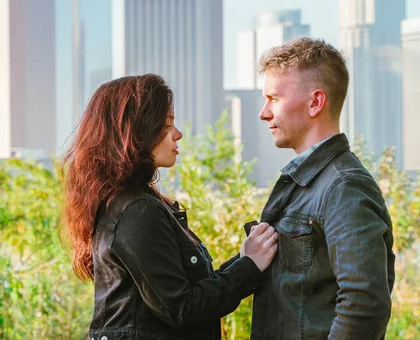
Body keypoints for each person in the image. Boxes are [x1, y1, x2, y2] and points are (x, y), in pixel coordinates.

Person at [62, 74, 279, 340]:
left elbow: (188, 290)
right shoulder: (136, 211)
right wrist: (249, 267)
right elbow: (182, 309)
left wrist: (247, 260)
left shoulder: (132, 203)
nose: (178, 134)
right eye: (166, 125)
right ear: (137, 131)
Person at [251, 37, 395, 339]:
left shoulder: (344, 187)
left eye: (274, 98)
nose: (264, 112)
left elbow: (364, 303)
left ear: (315, 102)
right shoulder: (304, 183)